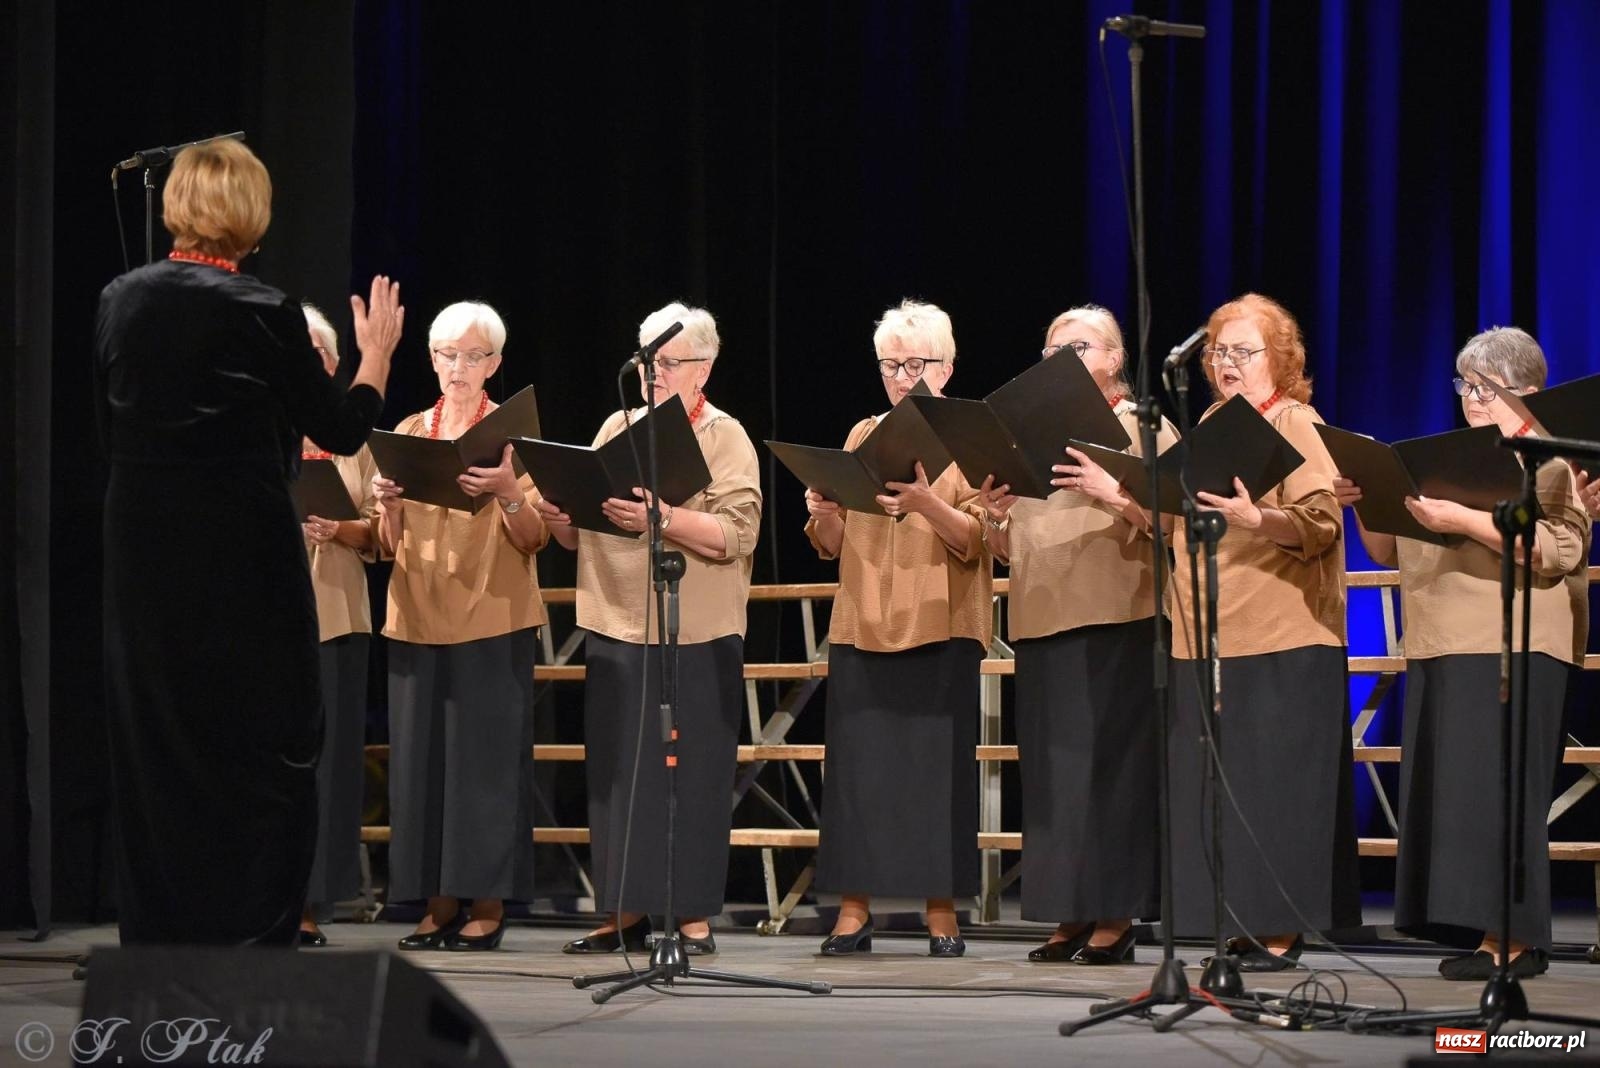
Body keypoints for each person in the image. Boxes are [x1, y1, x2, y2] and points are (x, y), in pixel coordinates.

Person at [95, 138, 403, 946]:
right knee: (269, 744)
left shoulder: (119, 299)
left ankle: (160, 939)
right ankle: (253, 938)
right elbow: (336, 427)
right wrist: (373, 361)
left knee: (159, 744)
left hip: (142, 554)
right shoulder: (259, 309)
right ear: (251, 215)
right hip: (240, 558)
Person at [1334, 327, 1589, 979]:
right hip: (1440, 641)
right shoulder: (1439, 462)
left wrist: (1465, 520)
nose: (1472, 402)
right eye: (1465, 387)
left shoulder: (1550, 459)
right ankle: (1473, 926)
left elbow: (1559, 552)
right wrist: (1364, 505)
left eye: (1486, 389)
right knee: (1459, 796)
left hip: (1512, 641)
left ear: (1528, 393)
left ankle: (1514, 940)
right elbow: (1388, 552)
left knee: (1501, 792)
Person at [539, 302, 761, 957]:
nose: (653, 373)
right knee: (619, 770)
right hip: (616, 620)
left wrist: (665, 519)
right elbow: (586, 526)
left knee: (693, 773)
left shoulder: (725, 435)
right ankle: (623, 909)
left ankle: (691, 915)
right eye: (646, 361)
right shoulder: (619, 424)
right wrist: (559, 512)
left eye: (666, 362)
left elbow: (738, 533)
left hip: (694, 626)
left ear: (704, 368)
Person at [1166, 293, 1361, 971]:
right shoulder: (1212, 429)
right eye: (1219, 352)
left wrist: (1260, 521)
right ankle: (1241, 922)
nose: (1226, 363)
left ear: (1280, 360)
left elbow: (1321, 522)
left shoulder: (1296, 422)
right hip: (1210, 634)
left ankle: (1281, 927)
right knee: (1231, 787)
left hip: (1283, 630)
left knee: (1278, 786)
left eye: (1243, 352)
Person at [978, 305, 1176, 964]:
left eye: (1080, 345)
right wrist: (996, 516)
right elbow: (1010, 547)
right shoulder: (1033, 439)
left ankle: (1114, 916)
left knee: (1110, 771)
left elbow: (1176, 521)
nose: (1063, 358)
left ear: (1114, 359)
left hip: (1116, 613)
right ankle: (1067, 910)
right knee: (1056, 773)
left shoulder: (1140, 428)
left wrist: (1114, 492)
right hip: (1041, 616)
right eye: (1054, 348)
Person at [805, 299, 993, 958]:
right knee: (860, 770)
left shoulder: (971, 434)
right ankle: (853, 911)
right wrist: (823, 507)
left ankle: (942, 912)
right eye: (892, 365)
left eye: (918, 363)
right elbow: (830, 542)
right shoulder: (863, 434)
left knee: (934, 773)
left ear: (945, 366)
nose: (904, 376)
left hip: (940, 619)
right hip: (864, 615)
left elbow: (981, 537)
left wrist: (926, 503)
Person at [373, 301, 547, 952]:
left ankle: (487, 903)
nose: (458, 367)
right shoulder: (410, 429)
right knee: (420, 766)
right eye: (447, 353)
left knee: (485, 768)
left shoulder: (513, 439)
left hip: (491, 616)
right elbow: (387, 545)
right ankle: (435, 900)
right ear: (431, 359)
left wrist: (507, 489)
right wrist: (387, 506)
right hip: (417, 614)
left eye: (473, 355)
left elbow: (533, 539)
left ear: (494, 364)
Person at [297, 304, 380, 947]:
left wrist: (343, 527)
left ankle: (311, 899)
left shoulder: (353, 440)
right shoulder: (260, 426)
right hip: (268, 612)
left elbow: (382, 533)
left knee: (327, 762)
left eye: (318, 353)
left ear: (330, 363)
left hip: (339, 610)